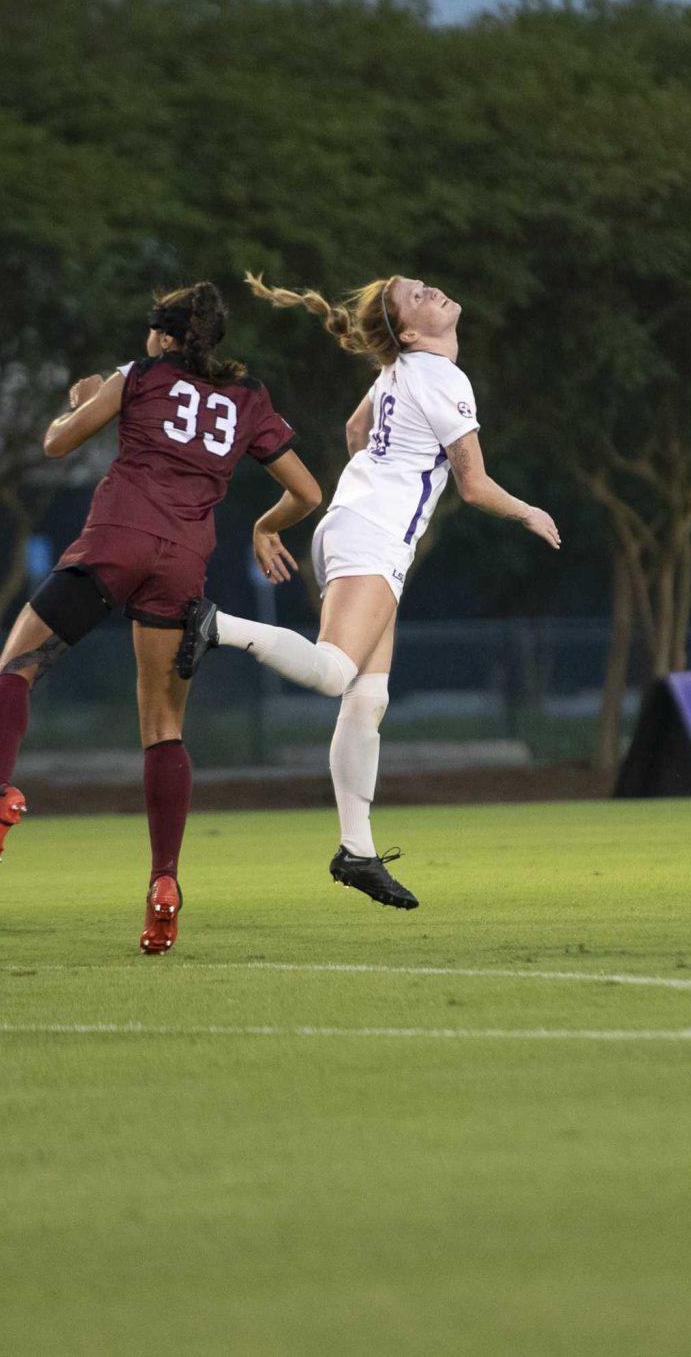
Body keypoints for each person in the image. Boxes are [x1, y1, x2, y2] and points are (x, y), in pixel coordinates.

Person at [178, 271, 560, 909]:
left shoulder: (399, 372)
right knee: (335, 675)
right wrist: (527, 513)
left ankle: (356, 850)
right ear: (410, 331)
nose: (433, 291)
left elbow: (358, 433)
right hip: (373, 536)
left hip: (356, 530)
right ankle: (218, 626)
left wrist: (372, 489)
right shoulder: (440, 376)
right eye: (418, 295)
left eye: (425, 286)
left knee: (368, 699)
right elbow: (473, 484)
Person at [0, 282, 321, 956]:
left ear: (164, 335)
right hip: (185, 560)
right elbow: (306, 491)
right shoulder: (248, 397)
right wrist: (265, 524)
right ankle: (164, 882)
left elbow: (55, 445)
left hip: (117, 538)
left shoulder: (140, 376)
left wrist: (78, 401)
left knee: (16, 667)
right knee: (162, 725)